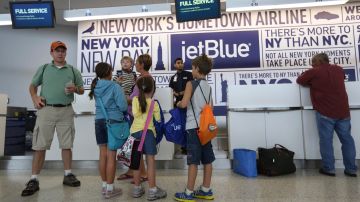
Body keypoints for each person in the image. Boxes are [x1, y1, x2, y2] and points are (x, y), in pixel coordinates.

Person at [21, 41, 84, 196]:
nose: (60, 53)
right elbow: (32, 86)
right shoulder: (44, 68)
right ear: (52, 53)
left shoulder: (73, 70)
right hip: (46, 110)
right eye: (57, 51)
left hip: (66, 111)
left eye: (63, 51)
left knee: (67, 145)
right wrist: (35, 97)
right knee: (39, 146)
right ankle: (34, 179)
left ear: (65, 53)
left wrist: (76, 89)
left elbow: (82, 90)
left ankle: (68, 175)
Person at [297, 53, 357, 177]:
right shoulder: (339, 69)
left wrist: (311, 83)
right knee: (347, 140)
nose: (312, 65)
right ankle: (351, 169)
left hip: (325, 112)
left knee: (326, 141)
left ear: (319, 61)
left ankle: (329, 169)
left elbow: (300, 80)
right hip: (343, 112)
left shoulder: (314, 72)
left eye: (313, 62)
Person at [174, 54, 215, 201]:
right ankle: (206, 189)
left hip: (193, 127)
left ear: (197, 68)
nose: (191, 70)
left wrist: (178, 104)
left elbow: (184, 104)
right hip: (206, 128)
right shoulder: (208, 86)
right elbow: (211, 107)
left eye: (192, 68)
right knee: (207, 160)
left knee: (193, 161)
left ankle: (189, 193)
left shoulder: (191, 84)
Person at [88, 62, 128, 199]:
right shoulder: (115, 86)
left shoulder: (95, 86)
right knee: (111, 155)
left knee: (102, 154)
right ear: (109, 72)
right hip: (113, 122)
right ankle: (110, 190)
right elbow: (123, 107)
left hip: (99, 121)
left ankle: (105, 185)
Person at [117, 54, 153, 183]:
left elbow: (135, 100)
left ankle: (142, 173)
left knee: (137, 145)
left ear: (142, 65)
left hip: (136, 117)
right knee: (133, 144)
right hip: (134, 116)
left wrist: (120, 95)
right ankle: (133, 170)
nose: (135, 65)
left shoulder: (143, 79)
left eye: (137, 62)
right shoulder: (141, 78)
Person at [130, 76, 167, 200]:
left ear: (139, 89)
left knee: (136, 161)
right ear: (153, 90)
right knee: (150, 161)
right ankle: (152, 190)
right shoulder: (154, 103)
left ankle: (137, 189)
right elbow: (158, 120)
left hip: (135, 133)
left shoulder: (135, 100)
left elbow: (135, 114)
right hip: (149, 134)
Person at [169, 58, 193, 155]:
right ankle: (183, 146)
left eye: (181, 63)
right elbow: (170, 89)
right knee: (181, 125)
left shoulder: (188, 74)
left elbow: (192, 86)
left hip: (188, 103)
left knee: (189, 125)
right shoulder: (173, 77)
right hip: (178, 105)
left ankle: (190, 146)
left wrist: (184, 92)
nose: (180, 64)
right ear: (175, 65)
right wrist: (174, 93)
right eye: (178, 63)